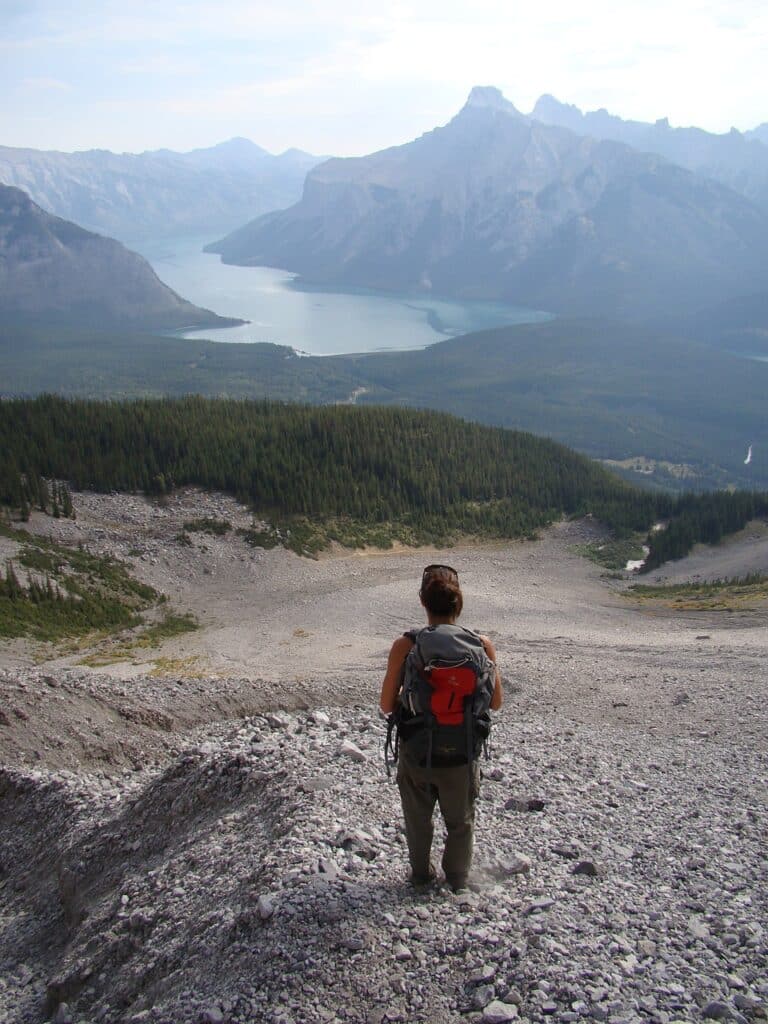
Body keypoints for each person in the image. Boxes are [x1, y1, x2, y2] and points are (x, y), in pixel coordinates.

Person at [380, 563, 503, 891]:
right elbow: (495, 703)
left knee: (418, 819)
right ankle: (459, 880)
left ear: (423, 601)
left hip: (417, 749)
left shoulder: (405, 645)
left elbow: (385, 705)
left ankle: (421, 877)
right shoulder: (483, 644)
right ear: (459, 604)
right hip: (462, 751)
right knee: (460, 821)